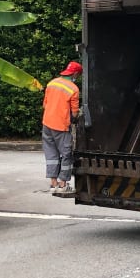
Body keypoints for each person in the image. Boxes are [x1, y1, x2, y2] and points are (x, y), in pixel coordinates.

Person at [42, 60, 82, 194]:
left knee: (51, 154)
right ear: (75, 73)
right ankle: (63, 184)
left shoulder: (51, 83)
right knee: (66, 154)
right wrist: (76, 118)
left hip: (47, 124)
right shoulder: (73, 89)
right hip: (61, 126)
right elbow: (75, 112)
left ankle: (53, 184)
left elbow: (45, 104)